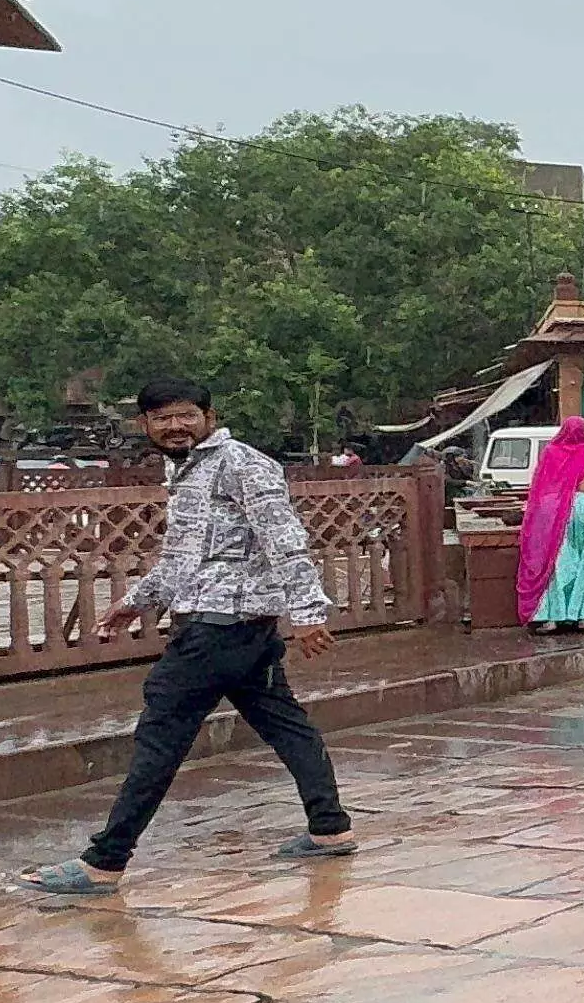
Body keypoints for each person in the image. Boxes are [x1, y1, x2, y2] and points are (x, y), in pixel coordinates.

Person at [26, 379, 370, 894]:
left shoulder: (242, 464)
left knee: (160, 734)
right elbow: (183, 559)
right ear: (145, 426)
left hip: (219, 630)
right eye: (162, 419)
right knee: (285, 724)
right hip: (239, 629)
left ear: (209, 416)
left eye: (186, 416)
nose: (175, 427)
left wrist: (308, 611)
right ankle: (329, 829)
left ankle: (104, 862)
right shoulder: (186, 471)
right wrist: (135, 602)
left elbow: (285, 540)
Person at [515, 415, 584, 634]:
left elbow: (540, 485)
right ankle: (583, 616)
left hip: (554, 508)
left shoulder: (550, 452)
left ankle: (553, 617)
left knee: (555, 562)